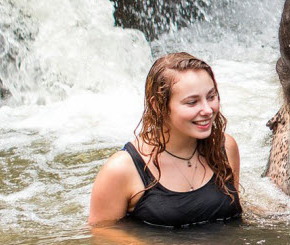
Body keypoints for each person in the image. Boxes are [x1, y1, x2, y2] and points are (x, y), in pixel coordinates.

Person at [88, 52, 242, 228]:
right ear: (158, 105)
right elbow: (103, 232)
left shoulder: (224, 147)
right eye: (192, 102)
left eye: (211, 97)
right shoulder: (122, 169)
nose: (207, 110)